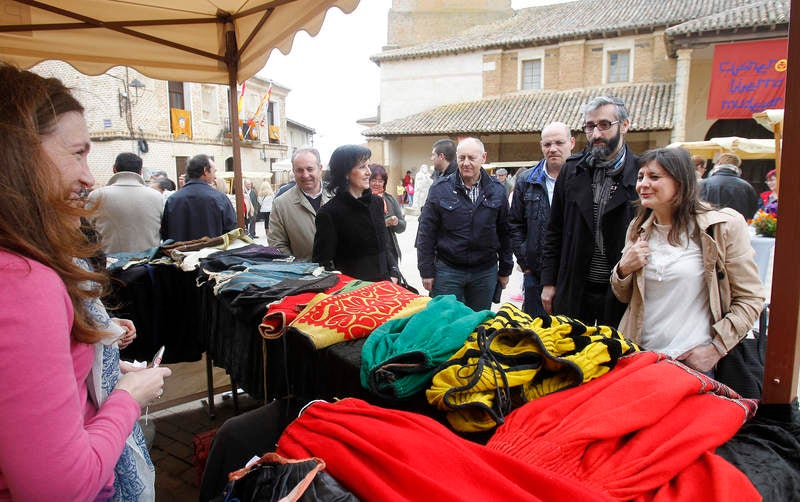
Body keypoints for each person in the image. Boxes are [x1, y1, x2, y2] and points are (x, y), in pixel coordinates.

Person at [0, 63, 171, 500]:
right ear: (19, 156)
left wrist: (102, 358)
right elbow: (62, 488)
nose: (89, 176)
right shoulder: (21, 280)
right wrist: (128, 399)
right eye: (77, 153)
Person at [611, 147, 765, 373]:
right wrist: (623, 269)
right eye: (640, 176)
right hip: (640, 358)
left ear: (681, 182)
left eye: (654, 177)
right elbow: (623, 295)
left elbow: (751, 298)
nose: (643, 184)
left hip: (692, 363)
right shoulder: (638, 228)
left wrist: (715, 349)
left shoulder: (721, 228)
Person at [540, 95, 639, 326]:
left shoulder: (641, 174)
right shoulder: (572, 170)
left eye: (604, 125)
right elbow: (554, 230)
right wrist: (548, 282)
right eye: (590, 126)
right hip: (575, 284)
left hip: (621, 289)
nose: (596, 134)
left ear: (624, 126)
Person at [417, 137, 513, 311]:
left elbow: (505, 232)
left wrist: (506, 269)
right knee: (445, 321)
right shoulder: (440, 189)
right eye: (461, 158)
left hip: (485, 272)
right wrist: (426, 271)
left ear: (483, 157)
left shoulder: (497, 190)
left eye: (471, 158)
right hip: (448, 270)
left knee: (477, 323)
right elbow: (426, 232)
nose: (466, 163)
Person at [509, 122, 575, 317]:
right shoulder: (527, 180)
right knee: (535, 334)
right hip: (534, 273)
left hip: (572, 274)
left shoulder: (583, 179)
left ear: (571, 143)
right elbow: (514, 224)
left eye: (559, 143)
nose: (553, 149)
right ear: (541, 146)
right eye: (547, 144)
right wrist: (526, 259)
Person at [313, 145, 400, 282]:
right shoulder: (329, 213)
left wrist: (394, 272)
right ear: (345, 173)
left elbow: (384, 246)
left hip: (385, 287)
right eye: (362, 167)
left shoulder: (377, 203)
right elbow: (322, 264)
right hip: (354, 294)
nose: (368, 172)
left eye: (368, 166)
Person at [87, 152, 164, 254]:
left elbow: (86, 230)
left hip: (109, 263)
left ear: (114, 168)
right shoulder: (157, 196)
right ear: (140, 172)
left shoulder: (97, 196)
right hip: (147, 263)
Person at [268, 148, 331, 261]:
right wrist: (299, 269)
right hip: (304, 275)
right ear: (293, 171)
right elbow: (277, 245)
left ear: (320, 169)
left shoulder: (338, 196)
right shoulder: (281, 204)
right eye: (300, 170)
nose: (305, 175)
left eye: (310, 169)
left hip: (342, 274)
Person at [161, 154, 237, 242]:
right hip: (212, 253)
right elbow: (231, 232)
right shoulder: (219, 198)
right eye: (214, 171)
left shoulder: (172, 199)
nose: (215, 176)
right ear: (205, 171)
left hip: (180, 253)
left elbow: (165, 234)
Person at [699, 153, 759, 221]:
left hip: (709, 227)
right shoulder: (747, 187)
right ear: (737, 166)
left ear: (719, 163)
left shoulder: (703, 184)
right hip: (736, 228)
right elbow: (752, 213)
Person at [369, 164, 406, 263]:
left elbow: (402, 227)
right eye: (373, 180)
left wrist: (396, 222)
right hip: (369, 253)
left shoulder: (390, 199)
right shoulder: (361, 199)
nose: (377, 184)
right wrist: (384, 223)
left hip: (390, 251)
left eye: (380, 181)